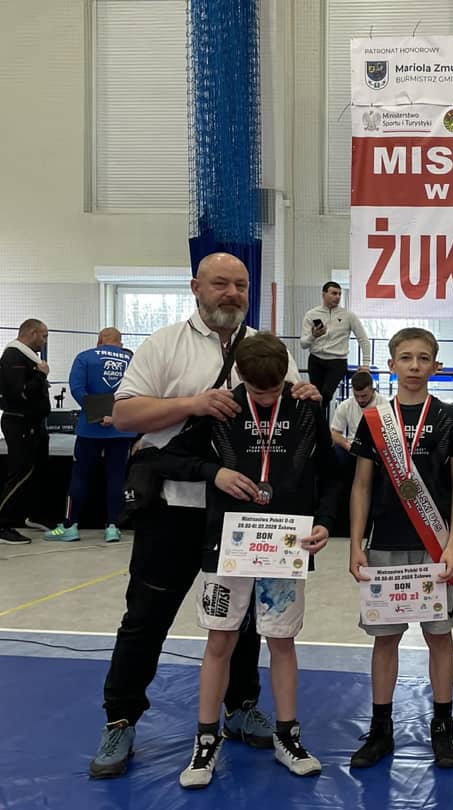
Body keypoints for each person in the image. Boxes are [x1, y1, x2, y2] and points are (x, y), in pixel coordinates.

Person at [89, 252, 319, 779]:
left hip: (243, 515)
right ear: (196, 287)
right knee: (146, 618)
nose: (232, 293)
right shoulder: (165, 343)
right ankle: (120, 718)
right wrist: (193, 404)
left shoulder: (268, 348)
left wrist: (306, 394)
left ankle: (240, 706)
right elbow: (123, 415)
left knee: (244, 623)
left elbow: (288, 411)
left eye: (241, 284)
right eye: (220, 283)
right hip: (175, 505)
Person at [159, 333, 336, 788]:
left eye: (274, 390)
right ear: (239, 375)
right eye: (259, 392)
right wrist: (214, 472)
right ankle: (205, 741)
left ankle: (288, 736)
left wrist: (325, 522)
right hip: (229, 548)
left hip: (286, 547)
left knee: (282, 640)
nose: (268, 398)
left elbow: (331, 474)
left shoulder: (306, 408)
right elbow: (169, 458)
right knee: (219, 640)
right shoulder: (221, 409)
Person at [348, 327, 453, 770]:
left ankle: (443, 728)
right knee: (385, 640)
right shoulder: (374, 420)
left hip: (434, 547)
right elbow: (361, 485)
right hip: (384, 545)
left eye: (422, 359)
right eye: (406, 358)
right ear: (391, 365)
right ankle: (381, 729)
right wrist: (356, 544)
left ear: (435, 366)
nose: (414, 366)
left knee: (439, 636)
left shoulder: (450, 417)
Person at [45, 328, 136, 543]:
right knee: (116, 477)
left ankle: (70, 526)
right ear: (121, 343)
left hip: (90, 429)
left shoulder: (85, 357)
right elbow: (139, 391)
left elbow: (77, 389)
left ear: (99, 340)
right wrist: (115, 415)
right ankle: (112, 527)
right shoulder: (132, 360)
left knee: (80, 476)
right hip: (121, 427)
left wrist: (97, 414)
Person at [0, 318, 50, 544]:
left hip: (33, 423)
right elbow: (18, 392)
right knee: (21, 472)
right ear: (32, 333)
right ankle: (2, 525)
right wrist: (41, 375)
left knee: (37, 472)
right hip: (19, 423)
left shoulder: (28, 357)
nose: (44, 341)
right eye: (43, 336)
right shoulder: (13, 355)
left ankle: (34, 515)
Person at [300, 281, 371, 415]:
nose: (337, 297)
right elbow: (303, 344)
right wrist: (313, 335)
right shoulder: (311, 314)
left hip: (337, 361)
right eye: (334, 293)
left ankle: (318, 422)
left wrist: (366, 364)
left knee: (326, 394)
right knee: (315, 396)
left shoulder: (348, 315)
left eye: (339, 294)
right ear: (324, 294)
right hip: (316, 360)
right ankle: (318, 424)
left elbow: (363, 339)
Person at [330, 370, 387, 462]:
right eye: (356, 396)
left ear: (373, 390)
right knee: (334, 452)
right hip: (353, 448)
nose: (360, 400)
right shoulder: (346, 405)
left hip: (376, 450)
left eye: (364, 396)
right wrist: (348, 446)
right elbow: (335, 433)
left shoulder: (385, 405)